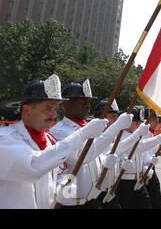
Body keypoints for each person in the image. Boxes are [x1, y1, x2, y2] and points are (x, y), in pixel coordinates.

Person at [0, 75, 107, 209]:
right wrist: (82, 135)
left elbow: (59, 174)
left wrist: (62, 191)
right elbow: (34, 167)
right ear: (26, 110)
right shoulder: (4, 139)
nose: (54, 115)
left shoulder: (49, 141)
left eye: (55, 109)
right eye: (47, 109)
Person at [50, 80, 133, 209]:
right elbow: (82, 156)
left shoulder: (91, 127)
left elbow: (100, 153)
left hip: (92, 199)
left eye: (88, 102)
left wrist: (107, 162)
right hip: (71, 202)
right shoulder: (60, 131)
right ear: (66, 104)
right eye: (81, 102)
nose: (87, 105)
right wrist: (116, 127)